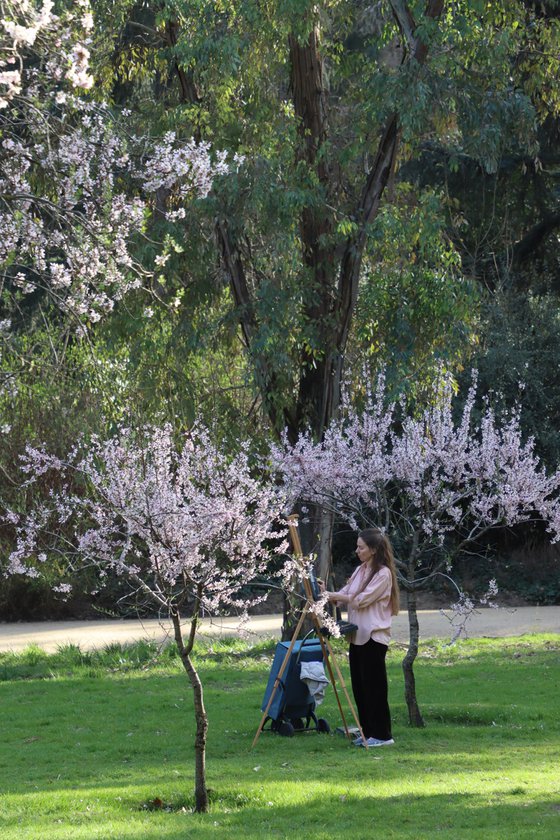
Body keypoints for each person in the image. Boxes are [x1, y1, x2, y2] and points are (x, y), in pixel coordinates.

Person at [323, 528, 400, 748]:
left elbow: (360, 600)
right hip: (357, 636)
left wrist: (336, 596)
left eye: (361, 547)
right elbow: (347, 592)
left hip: (374, 637)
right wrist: (330, 595)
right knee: (360, 686)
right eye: (357, 546)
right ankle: (368, 732)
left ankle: (383, 735)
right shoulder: (360, 570)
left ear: (374, 550)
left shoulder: (383, 573)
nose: (357, 551)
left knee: (375, 687)